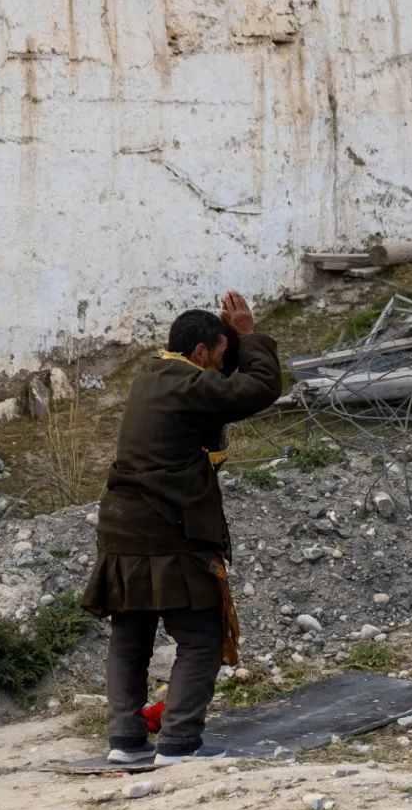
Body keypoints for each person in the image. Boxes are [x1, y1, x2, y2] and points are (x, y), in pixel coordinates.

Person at [82, 290, 282, 765]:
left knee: (130, 637)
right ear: (199, 354)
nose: (221, 363)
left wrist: (231, 341)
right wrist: (251, 337)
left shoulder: (153, 375)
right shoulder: (185, 384)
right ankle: (179, 744)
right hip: (169, 531)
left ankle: (126, 742)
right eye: (219, 354)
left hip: (123, 529)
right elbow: (257, 390)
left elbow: (218, 389)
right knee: (200, 636)